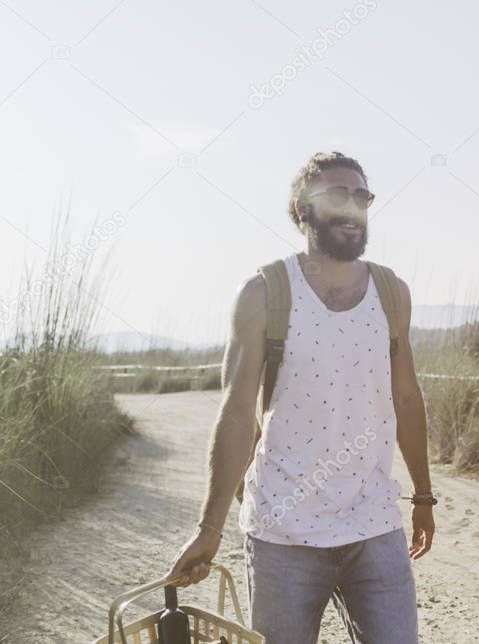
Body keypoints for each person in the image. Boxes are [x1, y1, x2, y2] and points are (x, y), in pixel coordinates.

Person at [169, 152, 435, 644]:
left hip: (374, 524)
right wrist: (210, 528)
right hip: (282, 532)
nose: (352, 207)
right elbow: (236, 415)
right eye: (337, 196)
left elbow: (406, 397)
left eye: (361, 196)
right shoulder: (264, 293)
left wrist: (422, 494)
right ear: (302, 211)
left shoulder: (391, 291)